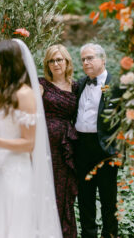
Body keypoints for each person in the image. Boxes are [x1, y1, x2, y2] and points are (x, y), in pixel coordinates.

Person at [0, 39, 63, 238]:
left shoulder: (25, 94)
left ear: (10, 64)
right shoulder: (3, 94)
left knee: (16, 229)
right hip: (0, 173)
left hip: (18, 175)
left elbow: (28, 144)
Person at [75, 43, 120, 238]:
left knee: (108, 200)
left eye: (90, 58)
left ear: (103, 59)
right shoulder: (80, 84)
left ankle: (110, 234)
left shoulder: (117, 85)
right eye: (83, 59)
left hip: (105, 149)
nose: (86, 62)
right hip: (81, 147)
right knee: (85, 200)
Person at [39, 44, 78, 238]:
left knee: (63, 194)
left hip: (65, 148)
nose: (56, 64)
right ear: (47, 64)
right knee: (45, 191)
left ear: (67, 62)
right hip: (44, 149)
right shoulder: (41, 84)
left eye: (59, 59)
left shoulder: (76, 86)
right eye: (51, 60)